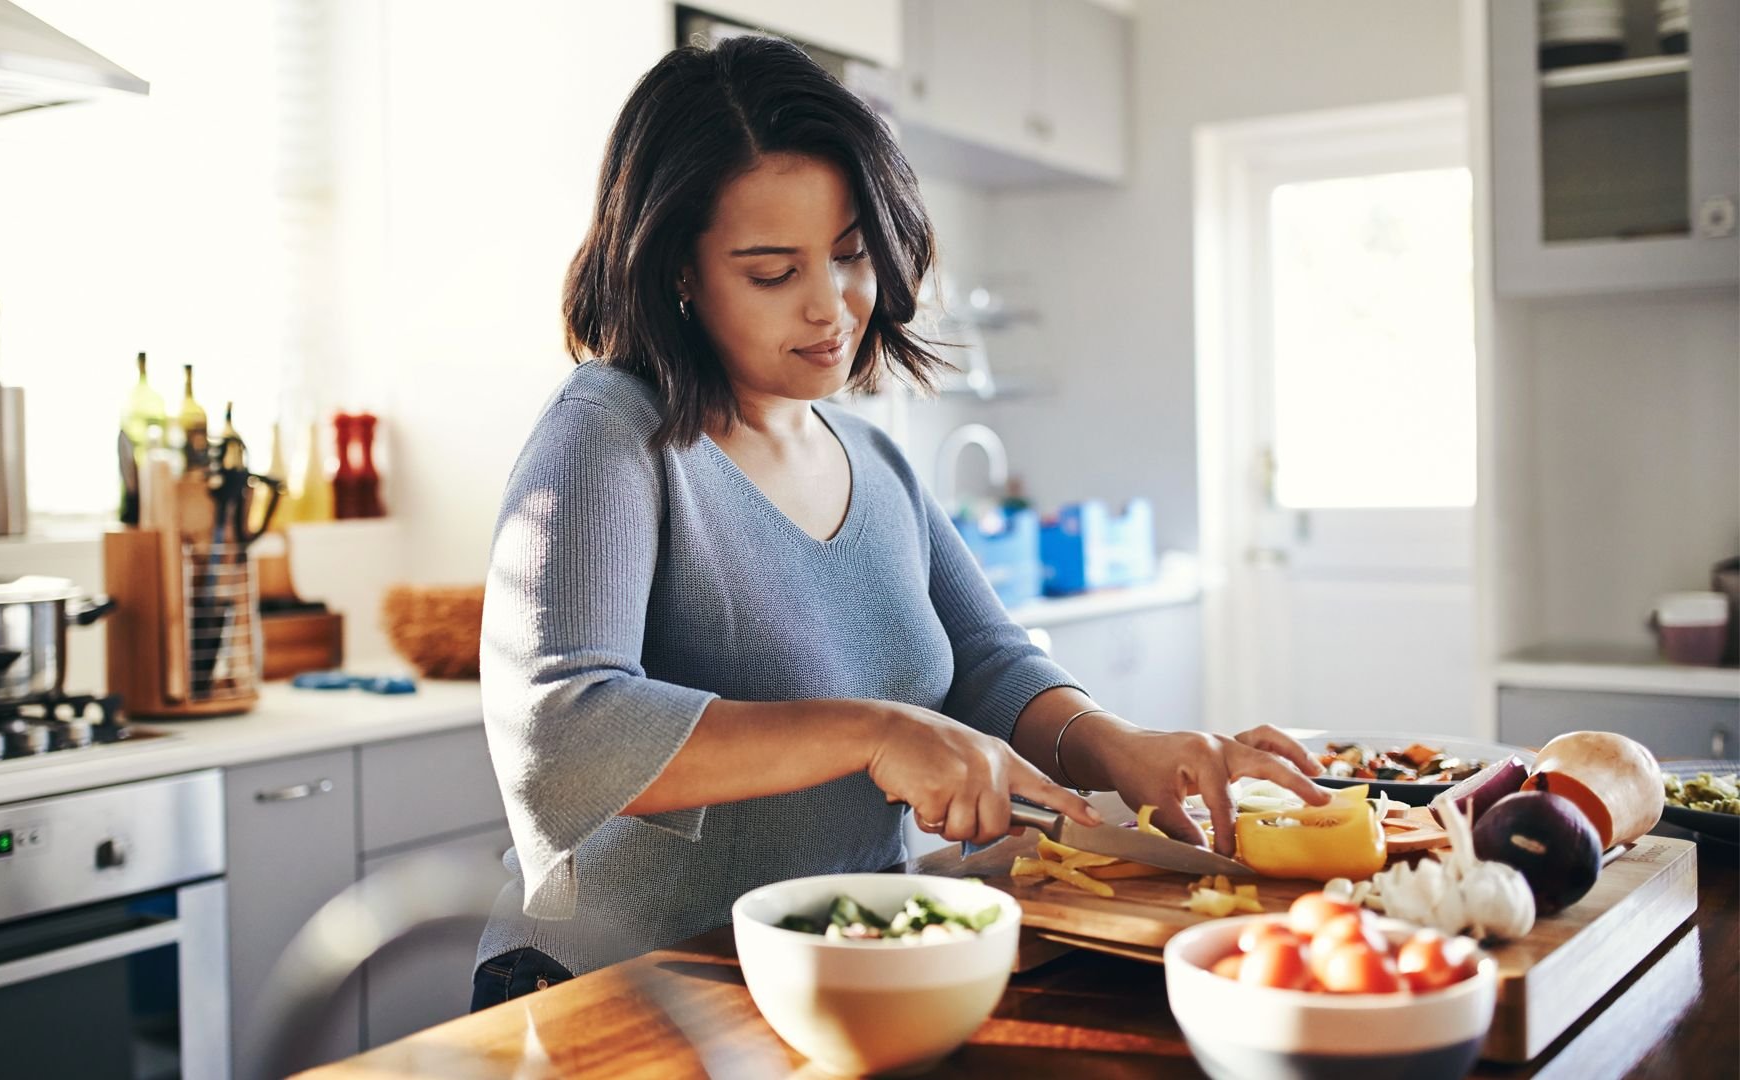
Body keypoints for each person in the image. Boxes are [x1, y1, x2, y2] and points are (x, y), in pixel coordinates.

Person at [471, 33, 1330, 1013]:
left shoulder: (870, 458)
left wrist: (1121, 750)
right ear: (677, 270)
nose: (832, 308)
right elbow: (559, 731)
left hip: (830, 977)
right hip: (623, 988)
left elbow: (990, 667)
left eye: (849, 256)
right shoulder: (607, 432)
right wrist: (874, 732)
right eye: (770, 272)